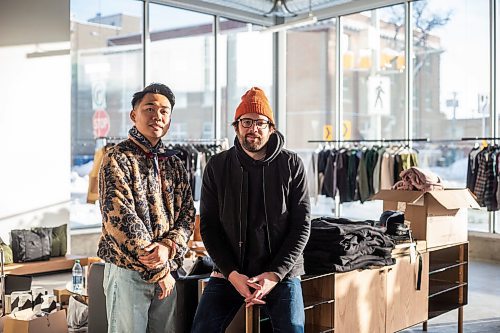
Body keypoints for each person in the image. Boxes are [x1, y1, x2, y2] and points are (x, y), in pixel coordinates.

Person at [192, 87, 311, 332]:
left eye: (260, 122)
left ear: (271, 128)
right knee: (202, 328)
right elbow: (209, 227)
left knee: (292, 328)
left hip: (281, 272)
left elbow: (301, 226)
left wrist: (275, 274)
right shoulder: (217, 166)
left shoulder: (291, 165)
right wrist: (231, 274)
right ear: (236, 127)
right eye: (246, 122)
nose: (253, 129)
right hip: (230, 271)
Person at [97, 83, 195, 333]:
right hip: (129, 272)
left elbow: (187, 215)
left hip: (167, 272)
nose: (157, 116)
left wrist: (169, 246)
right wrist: (159, 269)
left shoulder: (174, 163)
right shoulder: (117, 158)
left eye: (164, 111)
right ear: (134, 114)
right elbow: (121, 219)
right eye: (149, 108)